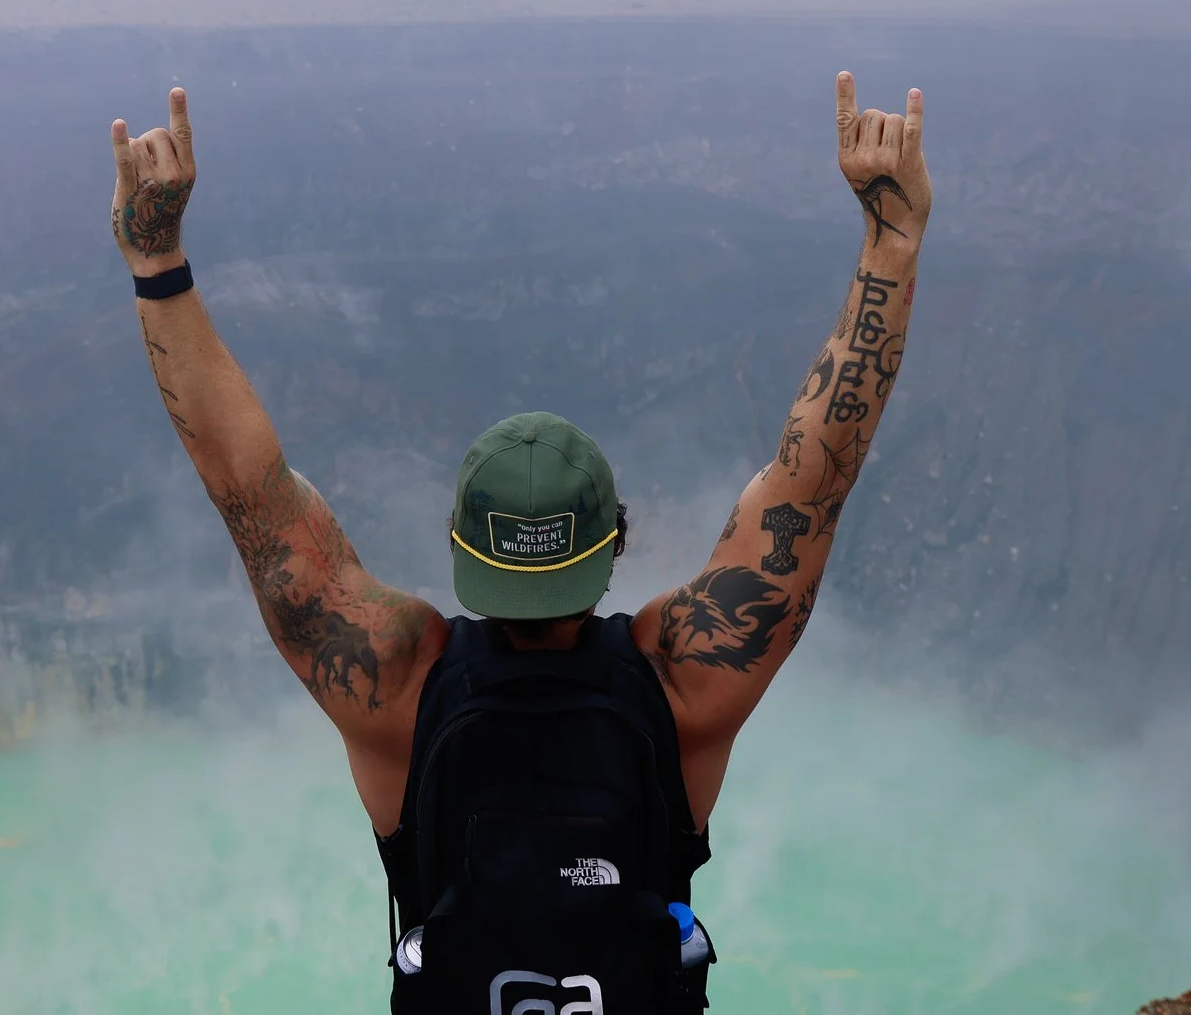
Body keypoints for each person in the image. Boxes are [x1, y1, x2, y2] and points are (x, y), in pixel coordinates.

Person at [109, 71, 929, 1011]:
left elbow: (251, 497)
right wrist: (889, 243)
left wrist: (156, 260)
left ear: (460, 545)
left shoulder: (396, 685)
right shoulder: (682, 685)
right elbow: (811, 483)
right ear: (614, 542)